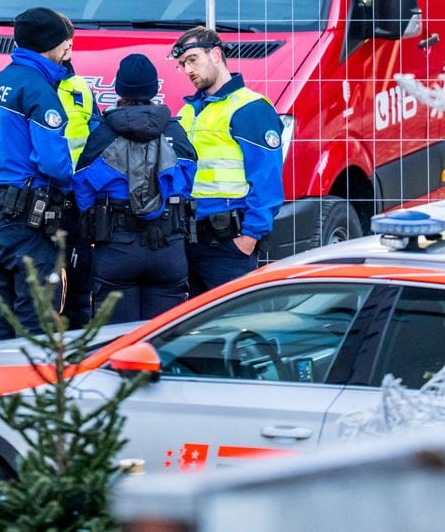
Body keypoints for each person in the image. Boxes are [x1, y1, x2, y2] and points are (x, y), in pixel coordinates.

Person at [0, 7, 75, 341]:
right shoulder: (38, 90)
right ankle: (29, 389)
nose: (69, 50)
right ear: (50, 45)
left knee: (5, 310)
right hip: (29, 217)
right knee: (37, 317)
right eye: (66, 43)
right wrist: (69, 186)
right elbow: (54, 164)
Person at [74, 54, 196, 322]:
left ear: (119, 89)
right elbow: (186, 184)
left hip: (116, 247)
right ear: (154, 90)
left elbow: (83, 188)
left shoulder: (103, 134)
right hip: (168, 246)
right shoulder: (175, 132)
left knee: (116, 342)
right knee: (161, 340)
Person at [169, 26, 284, 295]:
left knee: (238, 325)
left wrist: (250, 237)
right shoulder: (188, 111)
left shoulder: (250, 108)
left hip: (229, 241)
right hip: (189, 238)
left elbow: (267, 178)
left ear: (216, 55)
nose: (188, 70)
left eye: (193, 59)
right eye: (183, 65)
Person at [55, 18, 101, 326]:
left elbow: (97, 140)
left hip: (76, 200)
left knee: (79, 291)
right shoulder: (32, 86)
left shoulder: (81, 88)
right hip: (43, 199)